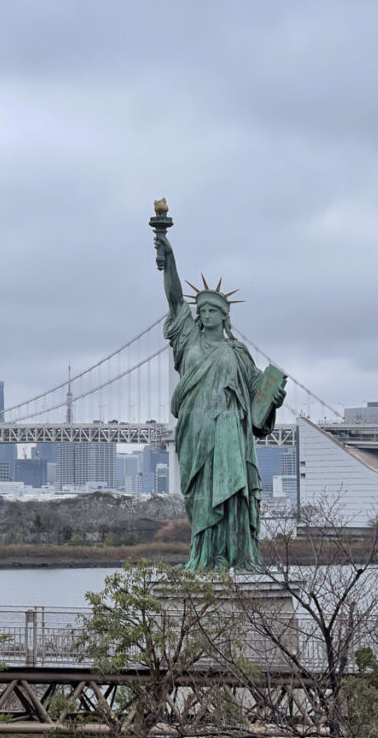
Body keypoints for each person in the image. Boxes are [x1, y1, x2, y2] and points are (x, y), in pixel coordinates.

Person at [154, 232, 285, 571]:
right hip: (196, 429)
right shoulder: (188, 341)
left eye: (214, 310)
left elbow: (260, 395)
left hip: (229, 430)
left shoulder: (237, 353)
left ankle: (233, 555)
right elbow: (174, 300)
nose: (207, 314)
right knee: (198, 496)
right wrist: (168, 257)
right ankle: (202, 556)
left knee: (231, 497)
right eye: (203, 309)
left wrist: (275, 397)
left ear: (226, 317)